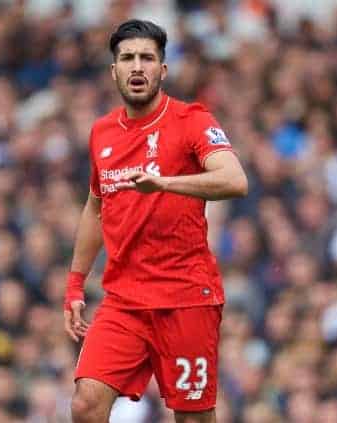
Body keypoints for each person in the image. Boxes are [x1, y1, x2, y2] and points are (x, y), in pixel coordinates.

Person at [63, 19, 248, 423]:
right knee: (85, 403)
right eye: (127, 58)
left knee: (192, 417)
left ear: (162, 70)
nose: (137, 67)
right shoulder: (102, 133)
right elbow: (95, 207)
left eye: (147, 58)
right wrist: (76, 284)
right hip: (124, 301)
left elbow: (235, 180)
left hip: (185, 299)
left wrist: (164, 183)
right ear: (113, 70)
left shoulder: (192, 121)